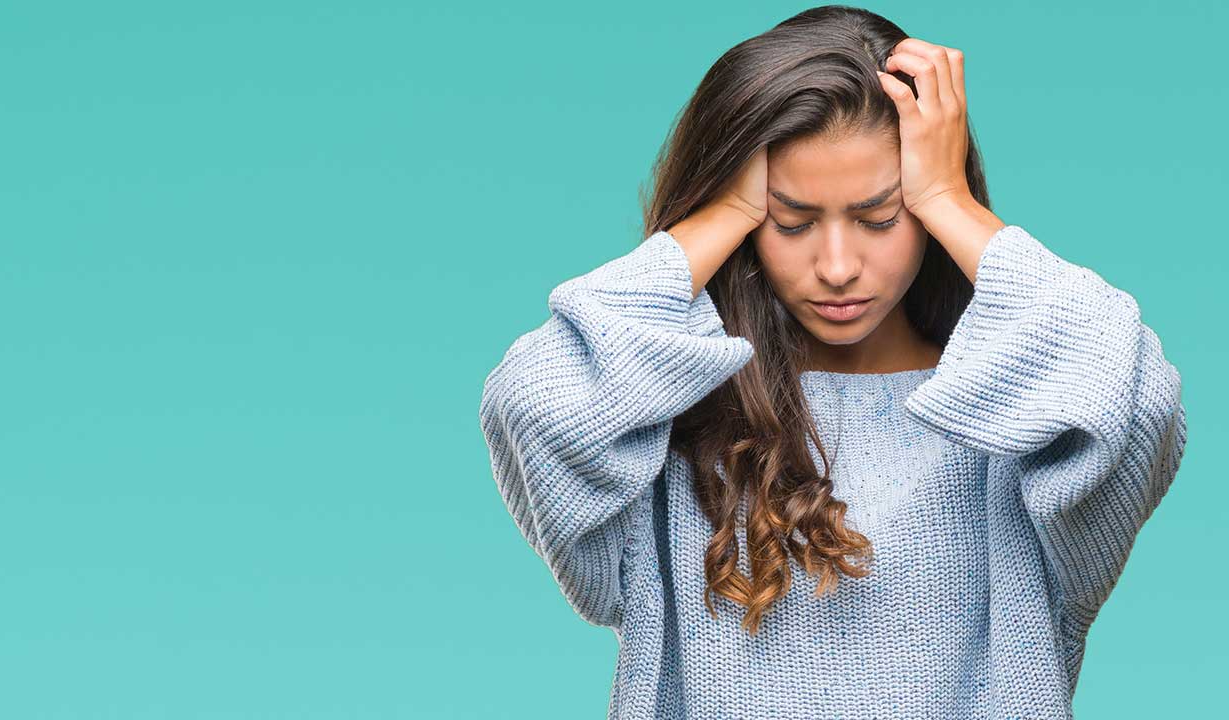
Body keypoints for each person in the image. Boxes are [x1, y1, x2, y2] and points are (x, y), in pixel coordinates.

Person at [477, 6, 1187, 718]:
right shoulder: (668, 417)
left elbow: (1138, 398)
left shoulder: (1018, 423)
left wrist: (948, 198)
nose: (839, 266)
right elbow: (530, 404)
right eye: (791, 221)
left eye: (880, 217)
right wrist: (717, 214)